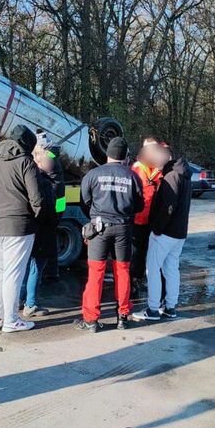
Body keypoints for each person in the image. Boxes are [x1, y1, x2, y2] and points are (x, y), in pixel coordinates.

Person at [0, 124, 45, 333]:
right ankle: (12, 320)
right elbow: (37, 199)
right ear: (27, 145)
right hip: (18, 226)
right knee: (13, 274)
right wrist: (35, 218)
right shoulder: (26, 163)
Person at [75, 136, 144, 332]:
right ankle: (123, 316)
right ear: (125, 156)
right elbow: (139, 205)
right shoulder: (133, 177)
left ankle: (91, 320)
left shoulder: (93, 174)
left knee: (95, 273)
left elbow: (84, 202)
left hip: (99, 228)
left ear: (107, 153)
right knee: (122, 272)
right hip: (123, 228)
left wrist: (95, 215)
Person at [133, 147, 192, 322]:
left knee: (153, 269)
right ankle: (170, 307)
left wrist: (157, 229)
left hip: (165, 233)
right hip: (179, 233)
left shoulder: (170, 177)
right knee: (171, 270)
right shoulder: (183, 174)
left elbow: (169, 207)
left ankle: (152, 309)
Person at [18, 136, 66, 317]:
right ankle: (29, 303)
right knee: (35, 267)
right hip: (45, 227)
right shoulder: (52, 177)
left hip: (39, 226)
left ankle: (20, 300)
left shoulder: (38, 174)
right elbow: (58, 204)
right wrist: (56, 218)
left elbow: (58, 203)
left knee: (29, 266)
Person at [130, 137, 164, 295]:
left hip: (152, 220)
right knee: (136, 253)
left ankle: (139, 279)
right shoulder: (137, 168)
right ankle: (133, 282)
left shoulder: (157, 168)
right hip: (137, 219)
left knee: (146, 253)